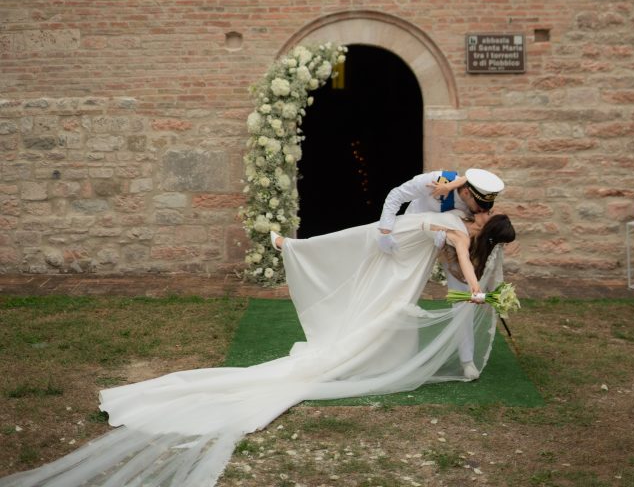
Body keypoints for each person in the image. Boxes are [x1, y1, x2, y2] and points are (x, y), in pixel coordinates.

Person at [0, 208, 515, 487]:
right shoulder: (454, 230)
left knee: (363, 280)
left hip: (394, 262)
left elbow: (404, 236)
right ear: (481, 221)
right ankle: (295, 250)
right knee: (367, 307)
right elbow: (463, 266)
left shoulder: (441, 215)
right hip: (396, 265)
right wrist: (475, 288)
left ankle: (293, 246)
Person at [432, 211, 516, 379]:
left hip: (454, 260)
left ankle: (467, 360)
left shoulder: (487, 239)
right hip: (431, 245)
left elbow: (476, 267)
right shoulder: (464, 223)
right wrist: (475, 287)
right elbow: (461, 259)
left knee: (464, 308)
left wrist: (492, 294)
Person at [377, 166, 504, 253]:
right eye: (479, 205)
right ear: (466, 193)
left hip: (431, 248)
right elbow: (396, 195)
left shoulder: (474, 206)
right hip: (410, 229)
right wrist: (385, 232)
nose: (482, 210)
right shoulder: (437, 181)